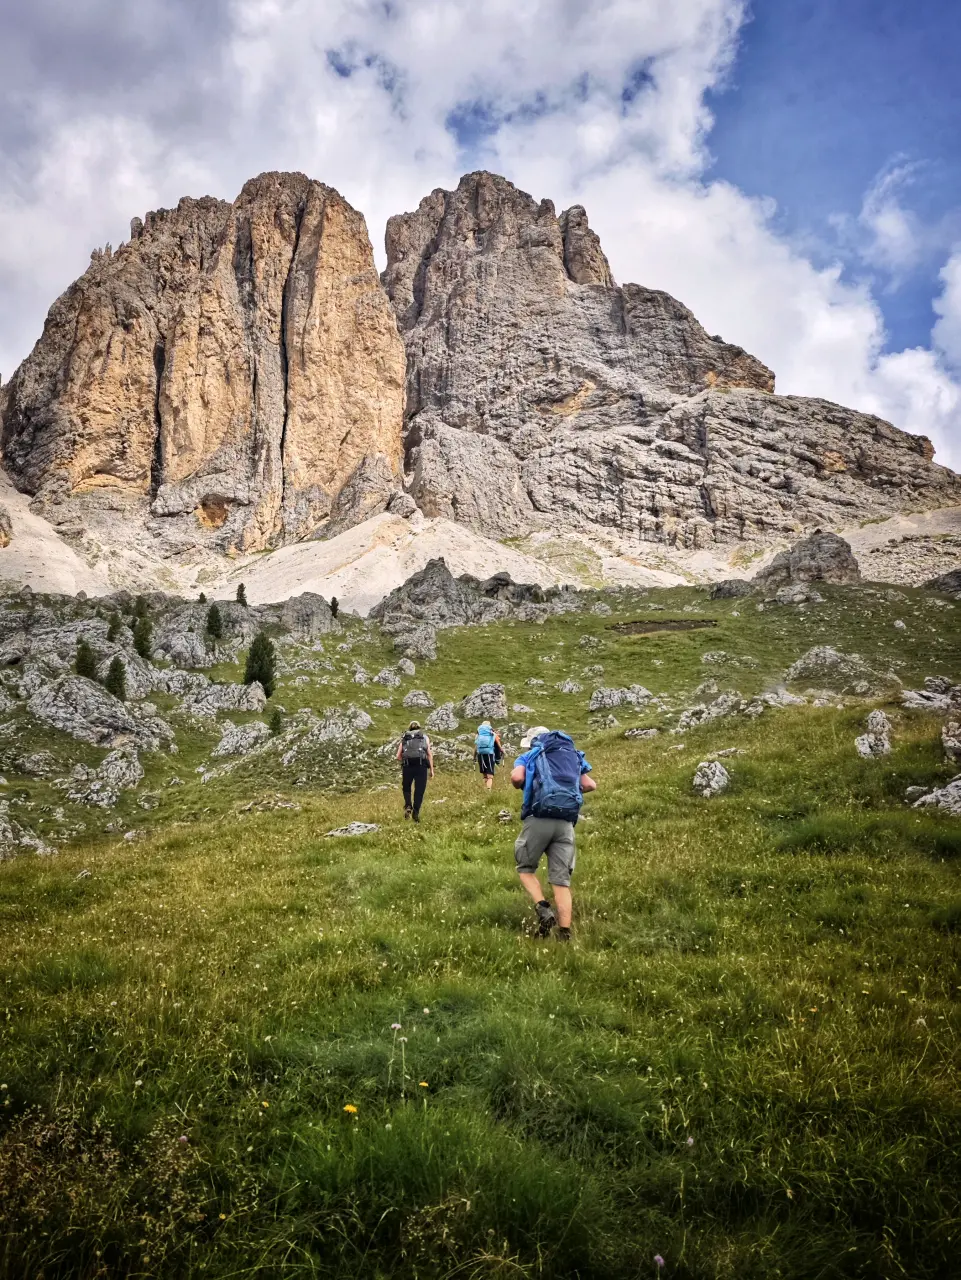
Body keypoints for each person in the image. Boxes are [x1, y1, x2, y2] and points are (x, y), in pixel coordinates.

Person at [511, 725, 596, 942]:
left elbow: (517, 778)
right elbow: (590, 785)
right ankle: (564, 935)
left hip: (538, 818)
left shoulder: (531, 754)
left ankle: (543, 909)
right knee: (561, 881)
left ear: (533, 741)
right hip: (566, 823)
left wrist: (531, 786)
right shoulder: (574, 755)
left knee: (525, 868)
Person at [396, 720, 434, 822]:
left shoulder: (405, 737)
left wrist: (406, 760)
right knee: (419, 790)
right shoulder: (424, 737)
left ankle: (408, 805)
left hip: (407, 766)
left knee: (406, 787)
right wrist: (431, 769)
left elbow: (398, 756)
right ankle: (416, 814)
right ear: (419, 728)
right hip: (421, 766)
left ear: (410, 728)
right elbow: (429, 754)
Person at [473, 720, 503, 791]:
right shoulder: (492, 734)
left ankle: (484, 790)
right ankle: (488, 790)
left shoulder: (478, 735)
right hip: (490, 754)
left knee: (484, 775)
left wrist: (474, 757)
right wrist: (501, 751)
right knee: (490, 775)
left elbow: (475, 747)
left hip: (480, 754)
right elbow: (498, 744)